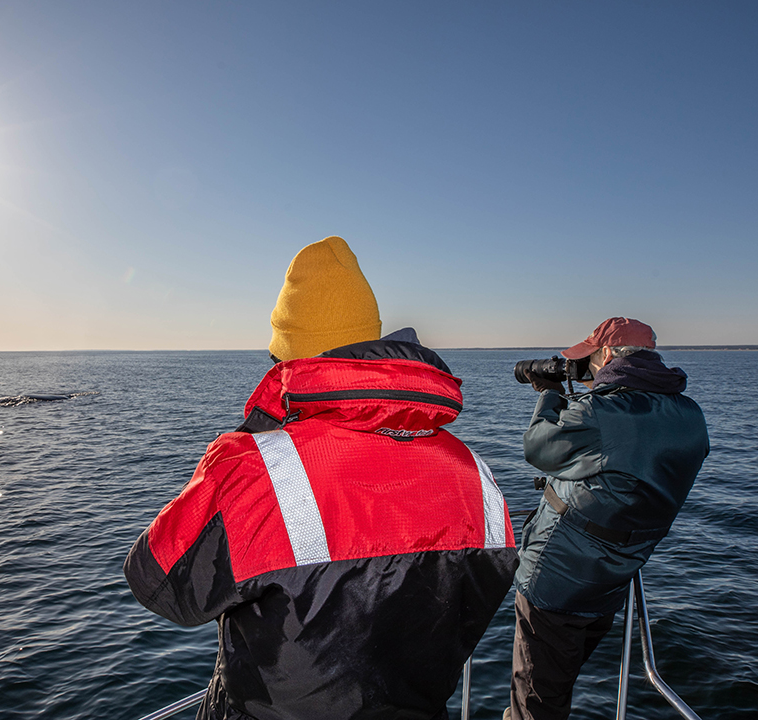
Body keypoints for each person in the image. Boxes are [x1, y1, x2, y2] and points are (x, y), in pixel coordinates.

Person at [124, 236, 519, 720]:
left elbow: (158, 584)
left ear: (288, 360)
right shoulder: (474, 473)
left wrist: (256, 436)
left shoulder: (257, 469)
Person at [507, 317, 710, 720]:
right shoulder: (690, 415)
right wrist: (601, 387)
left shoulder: (602, 412)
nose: (586, 369)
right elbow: (630, 456)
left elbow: (538, 447)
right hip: (614, 577)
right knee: (557, 684)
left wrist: (548, 393)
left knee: (536, 702)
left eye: (590, 360)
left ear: (607, 355)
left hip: (558, 580)